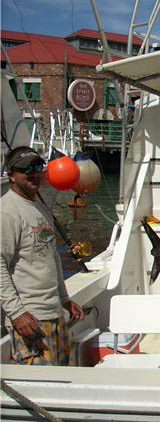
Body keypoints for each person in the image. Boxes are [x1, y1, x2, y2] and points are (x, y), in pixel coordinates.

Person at [1, 146, 84, 366]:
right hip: (30, 319)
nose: (34, 172)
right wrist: (17, 313)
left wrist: (65, 300)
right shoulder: (7, 212)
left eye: (37, 166)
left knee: (64, 382)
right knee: (42, 387)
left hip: (54, 313)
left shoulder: (39, 207)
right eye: (25, 168)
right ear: (11, 175)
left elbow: (52, 257)